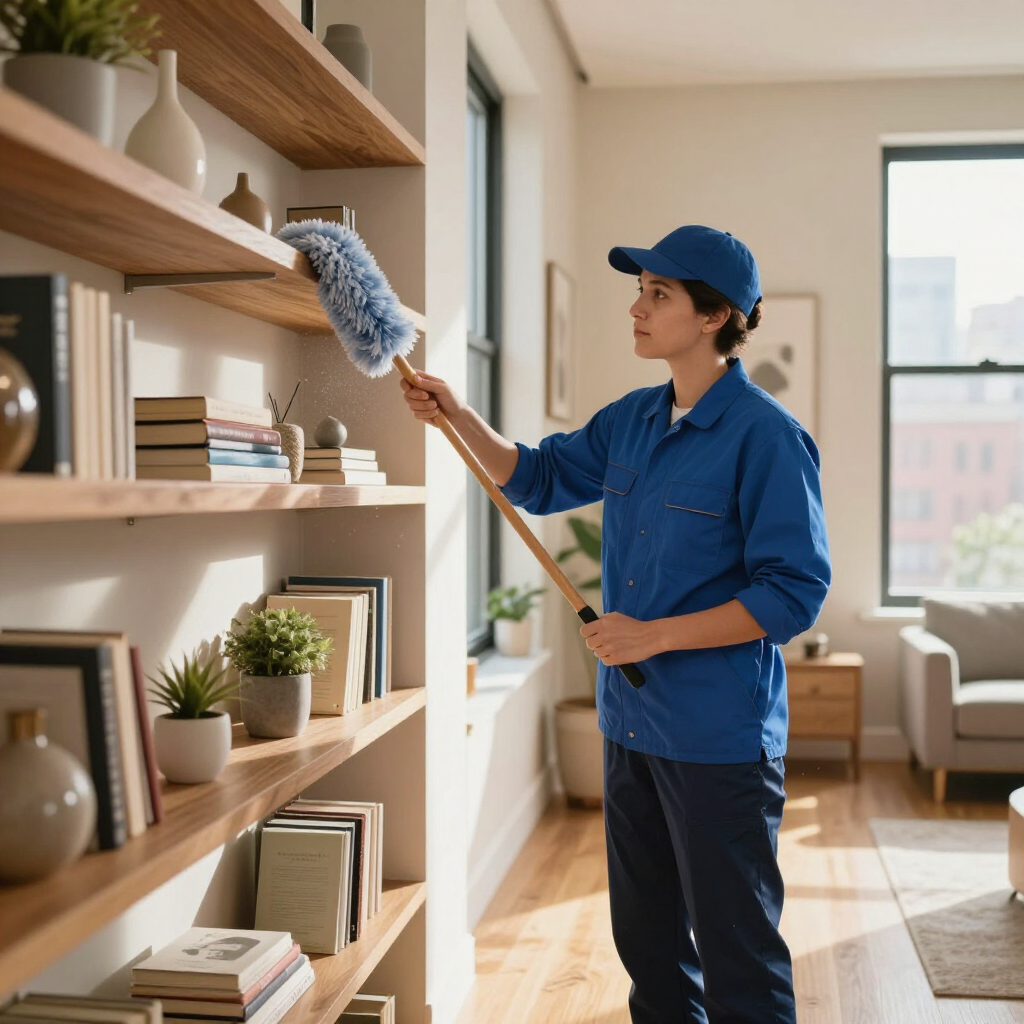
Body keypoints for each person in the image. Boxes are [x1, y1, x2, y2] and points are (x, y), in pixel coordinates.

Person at [401, 225, 831, 1024]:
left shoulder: (767, 438)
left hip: (717, 742)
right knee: (650, 947)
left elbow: (794, 594)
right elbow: (535, 477)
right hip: (630, 728)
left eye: (658, 294)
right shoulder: (633, 419)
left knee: (738, 955)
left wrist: (657, 635)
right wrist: (457, 417)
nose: (636, 308)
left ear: (713, 316)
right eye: (639, 291)